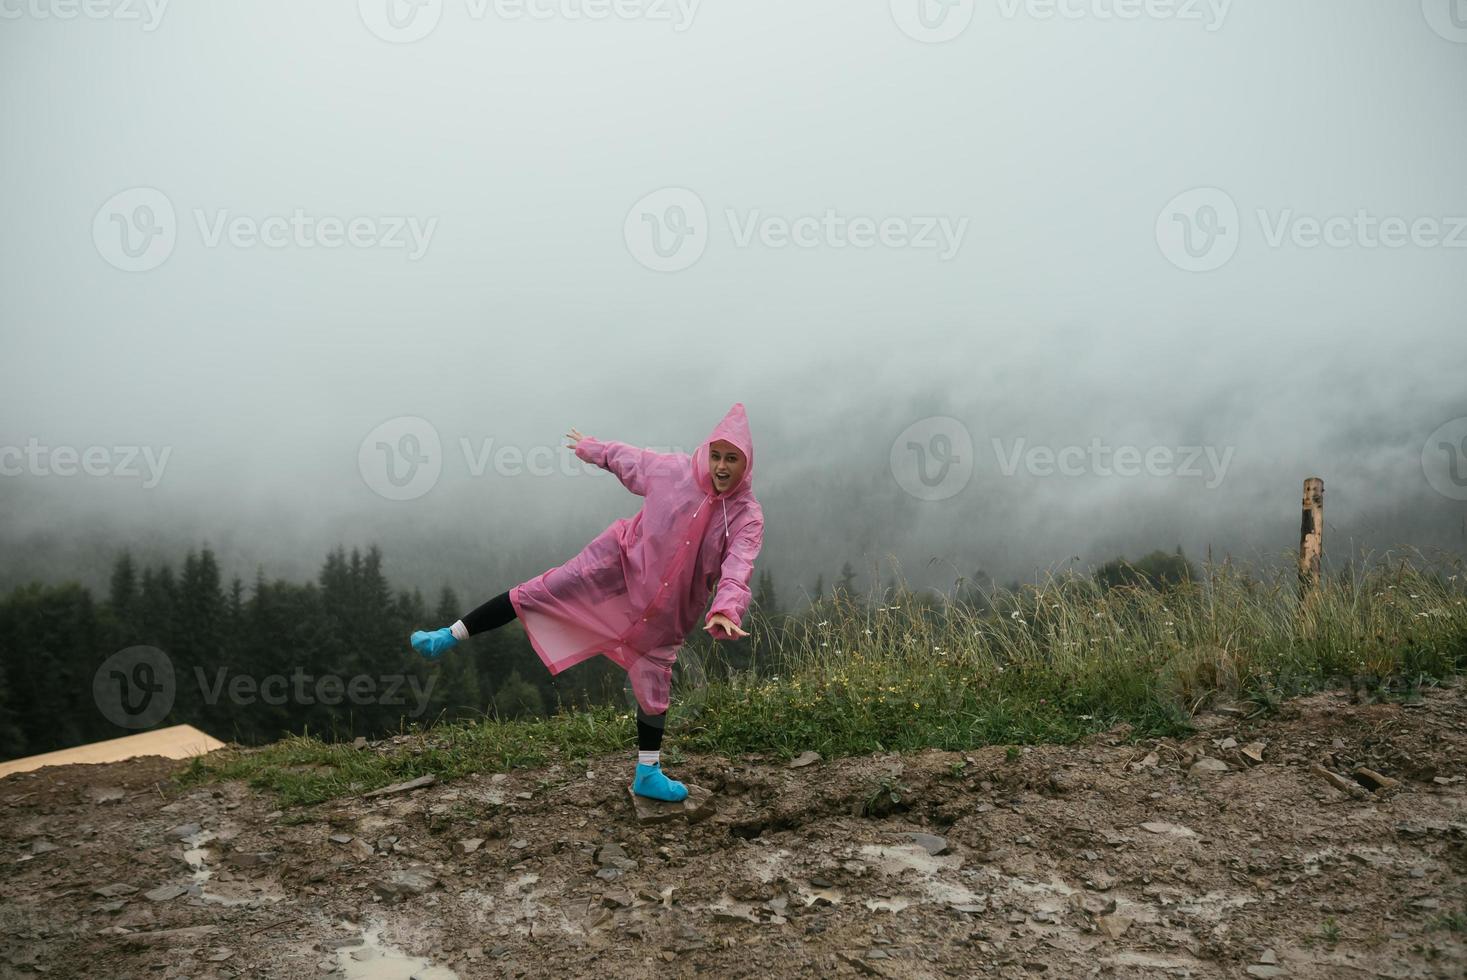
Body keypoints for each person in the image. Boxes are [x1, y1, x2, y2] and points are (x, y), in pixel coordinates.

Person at [410, 403, 764, 803]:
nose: (720, 466)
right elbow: (629, 459)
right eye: (716, 455)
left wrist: (725, 608)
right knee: (544, 590)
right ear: (706, 453)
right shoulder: (674, 471)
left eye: (731, 459)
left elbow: (739, 564)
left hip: (668, 613)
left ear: (746, 464)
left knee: (654, 681)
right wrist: (591, 447)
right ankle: (450, 634)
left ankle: (648, 772)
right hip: (616, 565)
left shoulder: (747, 515)